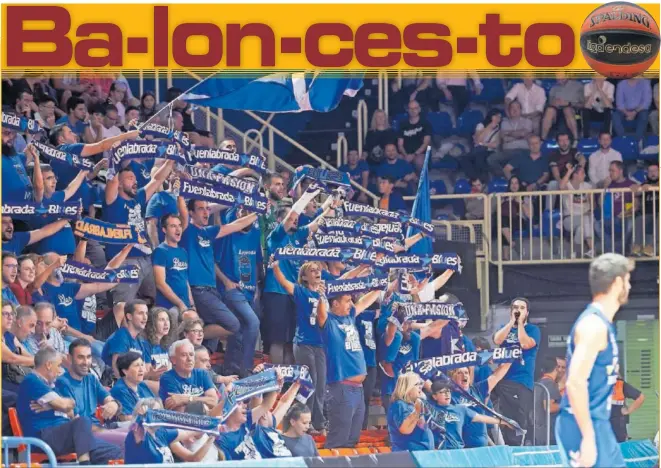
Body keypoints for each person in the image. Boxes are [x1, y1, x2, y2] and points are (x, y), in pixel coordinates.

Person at [556, 253, 634, 468]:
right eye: (627, 280)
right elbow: (575, 382)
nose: (629, 285)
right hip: (581, 423)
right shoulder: (593, 325)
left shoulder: (602, 324)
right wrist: (588, 438)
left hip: (598, 422)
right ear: (617, 282)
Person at [177, 198, 259, 366]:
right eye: (200, 209)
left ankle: (202, 364)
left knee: (213, 335)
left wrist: (258, 211)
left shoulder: (209, 232)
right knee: (233, 324)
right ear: (191, 213)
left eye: (208, 208)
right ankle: (186, 335)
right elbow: (183, 213)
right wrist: (180, 192)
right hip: (197, 289)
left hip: (211, 290)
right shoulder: (187, 231)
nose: (206, 212)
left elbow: (234, 226)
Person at [16, 346, 123, 464]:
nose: (60, 371)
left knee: (115, 452)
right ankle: (84, 464)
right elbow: (64, 405)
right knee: (82, 422)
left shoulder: (51, 385)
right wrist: (59, 405)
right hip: (44, 436)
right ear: (48, 365)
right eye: (58, 366)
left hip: (67, 435)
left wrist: (52, 405)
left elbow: (71, 406)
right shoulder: (32, 381)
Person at [317, 288, 382, 449]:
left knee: (352, 439)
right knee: (338, 439)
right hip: (341, 387)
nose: (351, 304)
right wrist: (320, 296)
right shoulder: (329, 321)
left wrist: (379, 287)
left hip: (358, 389)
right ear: (335, 303)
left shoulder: (350, 317)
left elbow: (364, 302)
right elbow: (321, 314)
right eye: (347, 301)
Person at [272, 260, 327, 435]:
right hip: (303, 343)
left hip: (320, 344)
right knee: (310, 382)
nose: (317, 272)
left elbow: (347, 280)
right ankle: (304, 421)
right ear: (304, 276)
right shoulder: (301, 291)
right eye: (312, 270)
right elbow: (283, 282)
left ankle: (319, 423)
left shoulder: (324, 293)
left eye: (318, 269)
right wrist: (275, 266)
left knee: (321, 385)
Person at [55, 338, 126, 448]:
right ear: (69, 358)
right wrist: (106, 432)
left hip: (100, 428)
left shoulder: (91, 378)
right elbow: (78, 424)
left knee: (141, 430)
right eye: (80, 357)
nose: (86, 362)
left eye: (88, 357)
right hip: (85, 436)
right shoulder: (63, 383)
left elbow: (108, 398)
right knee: (129, 439)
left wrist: (113, 404)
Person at [492, 297, 541, 446]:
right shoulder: (505, 327)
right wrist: (511, 323)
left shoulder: (533, 329)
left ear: (527, 312)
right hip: (502, 378)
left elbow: (526, 344)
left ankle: (517, 445)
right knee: (502, 414)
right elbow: (497, 340)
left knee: (518, 417)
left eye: (521, 308)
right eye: (515, 307)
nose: (517, 310)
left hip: (521, 381)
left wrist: (520, 324)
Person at [125, 398, 217, 464]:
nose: (159, 415)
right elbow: (134, 428)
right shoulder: (137, 434)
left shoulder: (162, 433)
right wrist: (141, 419)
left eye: (160, 412)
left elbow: (190, 432)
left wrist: (212, 428)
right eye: (155, 412)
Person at [427, 378, 512, 450]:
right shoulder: (429, 409)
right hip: (440, 453)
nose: (447, 394)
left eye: (448, 391)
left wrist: (505, 421)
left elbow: (482, 418)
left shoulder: (460, 409)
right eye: (442, 392)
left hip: (458, 451)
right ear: (434, 396)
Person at [449, 362, 512, 448]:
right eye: (459, 373)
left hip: (482, 448)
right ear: (453, 378)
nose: (464, 375)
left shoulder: (477, 390)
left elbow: (496, 377)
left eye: (466, 372)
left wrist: (511, 357)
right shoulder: (449, 396)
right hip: (462, 449)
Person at [158, 338, 218, 413]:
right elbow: (180, 410)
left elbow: (214, 401)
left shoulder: (202, 374)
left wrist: (187, 399)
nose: (189, 359)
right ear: (173, 360)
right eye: (184, 355)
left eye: (191, 354)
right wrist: (204, 406)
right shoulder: (167, 378)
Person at [386, 372, 434, 452]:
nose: (420, 387)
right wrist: (417, 411)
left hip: (422, 454)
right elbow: (405, 430)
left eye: (420, 384)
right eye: (416, 384)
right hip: (408, 455)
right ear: (407, 387)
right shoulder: (400, 405)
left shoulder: (413, 405)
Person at [110, 351, 156, 421]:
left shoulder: (142, 385)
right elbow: (127, 418)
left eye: (142, 365)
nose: (141, 370)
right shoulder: (120, 390)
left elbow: (156, 404)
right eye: (137, 365)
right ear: (125, 371)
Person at [534, 357, 563, 445]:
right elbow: (549, 407)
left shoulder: (538, 383)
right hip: (548, 434)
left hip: (538, 432)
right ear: (556, 368)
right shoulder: (550, 384)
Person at [610, 376, 645, 443]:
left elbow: (641, 397)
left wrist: (628, 411)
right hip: (616, 429)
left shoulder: (620, 384)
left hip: (614, 429)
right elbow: (641, 397)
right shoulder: (619, 383)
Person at [144, 306, 174, 371]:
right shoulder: (145, 345)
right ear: (152, 323)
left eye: (167, 319)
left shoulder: (166, 346)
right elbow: (148, 373)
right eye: (161, 320)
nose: (166, 323)